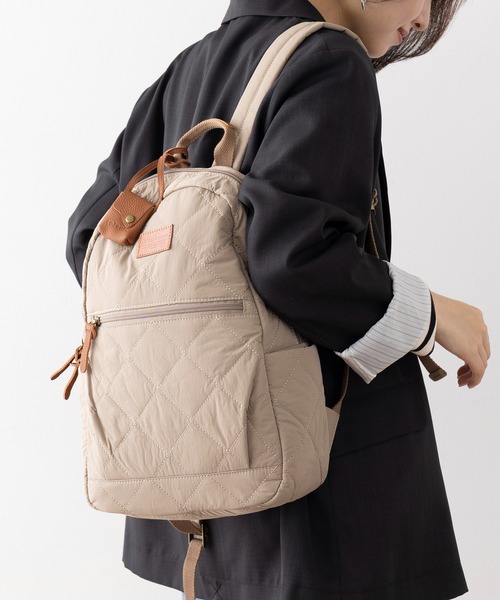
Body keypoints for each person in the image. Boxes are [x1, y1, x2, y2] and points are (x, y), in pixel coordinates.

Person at [66, 1, 490, 599]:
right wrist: (434, 315)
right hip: (318, 491)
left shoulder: (186, 70)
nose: (423, 20)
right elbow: (296, 260)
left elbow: (90, 238)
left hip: (198, 485)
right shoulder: (330, 60)